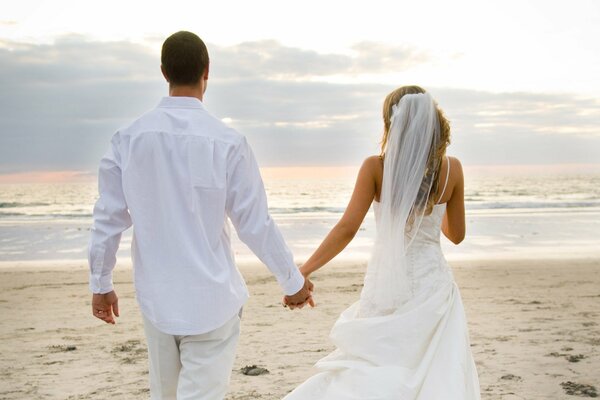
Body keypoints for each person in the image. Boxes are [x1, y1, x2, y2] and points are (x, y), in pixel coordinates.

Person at [88, 31, 313, 400]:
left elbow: (108, 218)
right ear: (208, 71)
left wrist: (101, 284)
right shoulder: (228, 142)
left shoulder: (127, 139)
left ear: (164, 72)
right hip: (213, 299)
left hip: (157, 297)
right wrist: (293, 282)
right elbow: (254, 224)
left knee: (165, 394)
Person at [283, 86, 481, 399]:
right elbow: (456, 235)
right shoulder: (451, 169)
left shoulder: (376, 168)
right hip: (433, 285)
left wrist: (302, 271)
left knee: (376, 362)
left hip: (388, 281)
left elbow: (347, 228)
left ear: (391, 123)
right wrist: (432, 204)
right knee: (434, 367)